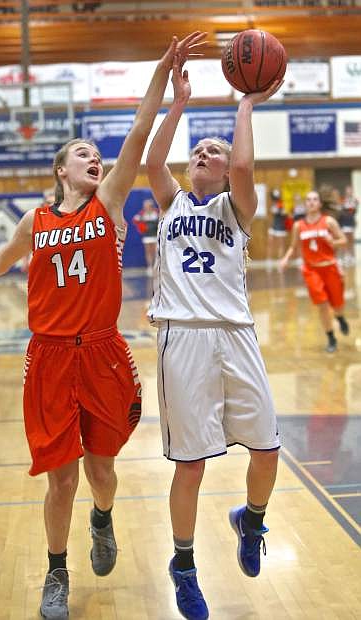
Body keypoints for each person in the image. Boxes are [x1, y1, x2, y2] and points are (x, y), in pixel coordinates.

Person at [0, 31, 206, 620]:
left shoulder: (107, 204)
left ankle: (102, 519)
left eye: (94, 155)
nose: (93, 158)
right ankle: (56, 574)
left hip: (102, 354)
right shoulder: (35, 219)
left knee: (101, 471)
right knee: (59, 481)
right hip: (50, 357)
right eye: (81, 154)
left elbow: (137, 130)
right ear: (60, 169)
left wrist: (161, 71)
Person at [146, 47, 282, 620]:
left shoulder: (238, 207)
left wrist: (246, 105)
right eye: (198, 151)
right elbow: (156, 158)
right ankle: (183, 566)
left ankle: (250, 520)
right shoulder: (171, 200)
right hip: (184, 337)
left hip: (236, 333)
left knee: (269, 451)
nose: (203, 154)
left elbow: (248, 168)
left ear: (226, 169)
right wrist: (178, 105)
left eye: (214, 151)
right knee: (192, 465)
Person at [280, 190, 349, 353]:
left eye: (314, 199)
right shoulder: (299, 226)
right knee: (322, 304)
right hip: (311, 270)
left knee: (337, 304)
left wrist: (333, 242)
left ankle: (340, 317)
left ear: (319, 204)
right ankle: (331, 337)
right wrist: (285, 259)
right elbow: (293, 246)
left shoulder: (329, 222)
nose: (311, 202)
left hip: (330, 267)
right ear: (306, 204)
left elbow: (344, 241)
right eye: (308, 200)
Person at [132, 197, 159, 274]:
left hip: (155, 235)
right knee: (148, 252)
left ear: (151, 206)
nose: (146, 207)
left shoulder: (156, 213)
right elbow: (135, 219)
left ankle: (156, 266)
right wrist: (141, 226)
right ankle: (149, 267)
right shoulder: (142, 214)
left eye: (147, 206)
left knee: (155, 251)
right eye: (145, 206)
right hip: (147, 235)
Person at [266, 188, 288, 263]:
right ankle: (269, 260)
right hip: (273, 226)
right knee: (270, 244)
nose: (275, 199)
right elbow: (271, 213)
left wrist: (281, 210)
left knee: (281, 245)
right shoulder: (273, 204)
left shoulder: (282, 204)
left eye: (276, 198)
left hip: (281, 227)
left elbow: (285, 214)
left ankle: (280, 260)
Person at [339, 184, 358, 266]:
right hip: (344, 222)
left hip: (351, 221)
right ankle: (346, 256)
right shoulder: (343, 200)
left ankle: (352, 256)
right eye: (347, 190)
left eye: (350, 190)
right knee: (345, 239)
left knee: (351, 239)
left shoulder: (355, 200)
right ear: (346, 191)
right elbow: (341, 211)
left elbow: (355, 211)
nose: (349, 192)